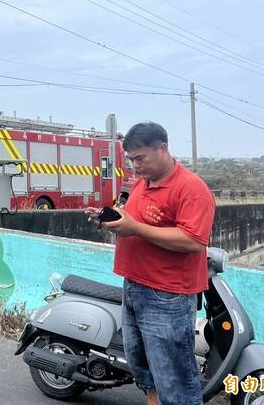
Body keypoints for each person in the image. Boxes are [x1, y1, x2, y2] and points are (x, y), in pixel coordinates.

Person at [85, 122, 215, 405]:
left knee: (175, 377)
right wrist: (111, 220)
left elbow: (193, 241)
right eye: (131, 159)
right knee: (145, 369)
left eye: (140, 158)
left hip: (167, 296)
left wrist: (135, 228)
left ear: (163, 148)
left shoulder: (191, 188)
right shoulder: (143, 185)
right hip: (134, 287)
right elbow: (134, 222)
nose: (134, 165)